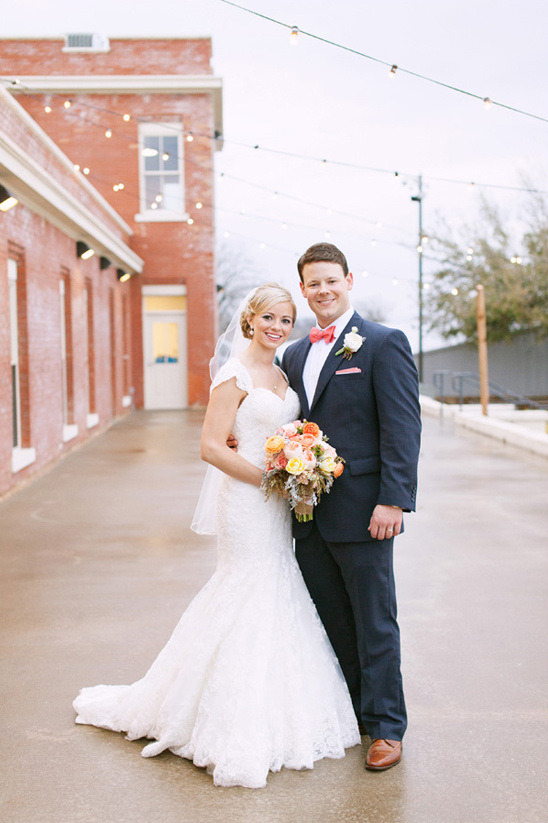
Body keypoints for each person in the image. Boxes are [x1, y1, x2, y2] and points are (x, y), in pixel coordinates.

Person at [73, 283, 360, 790]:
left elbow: (289, 430)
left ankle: (279, 708)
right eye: (269, 317)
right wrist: (273, 480)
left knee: (275, 587)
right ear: (249, 319)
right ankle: (219, 717)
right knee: (245, 585)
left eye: (285, 320)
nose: (277, 327)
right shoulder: (233, 374)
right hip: (249, 502)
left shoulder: (283, 372)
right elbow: (211, 446)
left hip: (279, 503)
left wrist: (297, 471)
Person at [281, 243, 421, 771]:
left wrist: (393, 499)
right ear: (303, 289)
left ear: (348, 280)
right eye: (312, 283)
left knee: (374, 620)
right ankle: (358, 715)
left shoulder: (383, 344)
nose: (322, 290)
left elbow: (403, 428)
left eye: (330, 281)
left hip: (366, 512)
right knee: (333, 619)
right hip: (306, 516)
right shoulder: (294, 354)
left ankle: (387, 727)